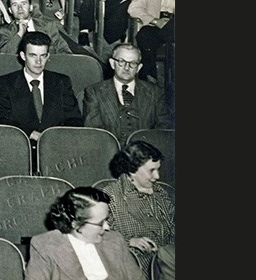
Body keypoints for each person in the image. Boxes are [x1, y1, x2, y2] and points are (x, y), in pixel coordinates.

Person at [26, 186, 145, 280]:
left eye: (106, 219)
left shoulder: (115, 240)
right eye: (100, 223)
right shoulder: (45, 245)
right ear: (75, 224)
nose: (107, 227)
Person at [101, 141, 176, 279]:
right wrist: (129, 241)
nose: (157, 176)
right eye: (151, 171)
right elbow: (98, 237)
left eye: (158, 169)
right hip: (138, 269)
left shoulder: (161, 193)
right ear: (132, 170)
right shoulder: (110, 196)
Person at [0, 32, 84, 143]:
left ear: (48, 56)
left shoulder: (61, 82)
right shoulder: (5, 83)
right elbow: (1, 121)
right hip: (19, 145)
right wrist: (30, 134)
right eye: (33, 55)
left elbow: (74, 120)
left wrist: (56, 138)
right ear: (23, 56)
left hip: (55, 145)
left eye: (43, 56)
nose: (38, 62)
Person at [83, 42, 170, 140]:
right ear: (112, 63)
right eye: (121, 61)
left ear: (139, 68)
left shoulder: (156, 93)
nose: (126, 67)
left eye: (133, 63)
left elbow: (162, 132)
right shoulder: (94, 92)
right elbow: (94, 132)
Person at [127, 0, 175, 82]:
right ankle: (150, 77)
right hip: (155, 25)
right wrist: (155, 21)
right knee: (144, 35)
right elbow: (133, 9)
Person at [0, 0, 81, 56]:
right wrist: (20, 34)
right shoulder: (4, 30)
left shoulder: (48, 25)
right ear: (10, 10)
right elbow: (2, 56)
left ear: (31, 7)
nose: (20, 8)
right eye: (15, 5)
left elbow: (64, 51)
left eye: (24, 4)